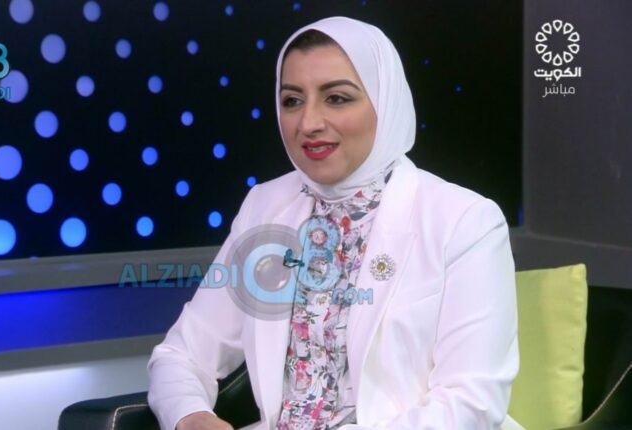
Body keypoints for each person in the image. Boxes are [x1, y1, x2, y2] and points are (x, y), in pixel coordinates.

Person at [147, 16, 520, 430]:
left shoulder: (464, 221)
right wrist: (191, 416)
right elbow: (180, 355)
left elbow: (471, 404)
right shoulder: (265, 206)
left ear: (385, 101)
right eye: (292, 100)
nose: (308, 123)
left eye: (337, 98)